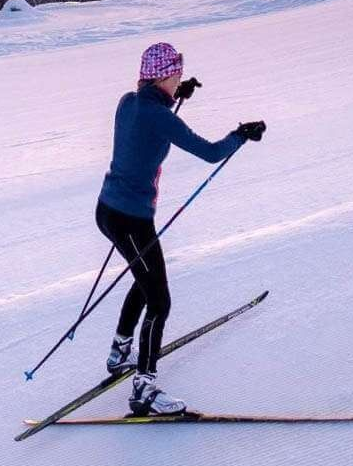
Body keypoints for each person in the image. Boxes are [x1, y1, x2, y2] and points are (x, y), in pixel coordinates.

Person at [97, 41, 266, 416]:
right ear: (165, 76)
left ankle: (119, 352)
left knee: (146, 280)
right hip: (131, 218)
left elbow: (147, 122)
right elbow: (208, 152)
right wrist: (241, 134)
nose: (179, 80)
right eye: (176, 75)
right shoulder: (160, 114)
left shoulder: (129, 101)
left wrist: (175, 97)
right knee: (159, 298)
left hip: (108, 211)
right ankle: (144, 389)